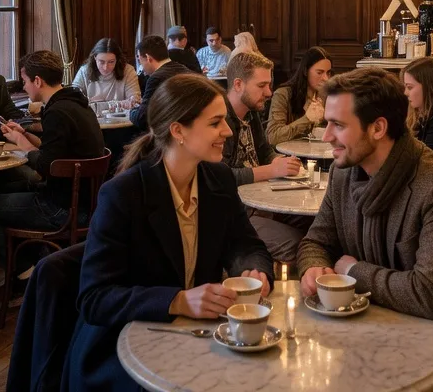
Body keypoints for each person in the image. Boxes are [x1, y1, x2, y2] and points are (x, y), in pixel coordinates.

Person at [297, 68, 433, 391]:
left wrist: (352, 270)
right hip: (371, 336)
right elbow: (316, 240)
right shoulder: (344, 174)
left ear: (378, 128)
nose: (326, 136)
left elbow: (429, 295)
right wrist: (313, 267)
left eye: (337, 125)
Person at [64, 75, 272, 391]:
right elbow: (95, 299)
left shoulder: (218, 179)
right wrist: (176, 300)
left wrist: (251, 270)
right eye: (216, 123)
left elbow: (245, 243)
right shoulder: (123, 194)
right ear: (178, 131)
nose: (227, 132)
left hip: (195, 338)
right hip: (123, 352)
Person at [0, 50, 106, 265]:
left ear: (38, 81)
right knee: (2, 189)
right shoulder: (76, 104)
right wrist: (24, 134)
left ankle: (24, 268)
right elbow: (57, 151)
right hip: (86, 203)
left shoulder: (57, 112)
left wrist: (19, 142)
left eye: (24, 81)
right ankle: (33, 260)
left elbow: (46, 166)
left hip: (63, 209)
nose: (23, 87)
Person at [219, 51, 306, 262]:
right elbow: (220, 177)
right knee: (299, 244)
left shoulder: (251, 113)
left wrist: (279, 160)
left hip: (261, 202)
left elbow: (264, 150)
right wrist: (272, 170)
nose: (269, 92)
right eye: (262, 85)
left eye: (269, 84)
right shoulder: (219, 120)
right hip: (234, 213)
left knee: (315, 224)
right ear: (238, 84)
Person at [267, 46, 333, 145]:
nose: (326, 78)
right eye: (319, 72)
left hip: (317, 153)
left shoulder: (327, 96)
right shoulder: (283, 95)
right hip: (287, 156)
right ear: (305, 71)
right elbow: (273, 137)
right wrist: (307, 119)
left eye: (328, 73)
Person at [128, 35, 191, 131]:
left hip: (170, 134)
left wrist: (131, 111)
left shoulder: (156, 78)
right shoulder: (184, 69)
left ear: (148, 58)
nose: (141, 65)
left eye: (140, 60)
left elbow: (142, 119)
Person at [70, 37, 141, 113]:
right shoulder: (84, 71)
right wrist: (117, 104)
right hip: (91, 121)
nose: (105, 67)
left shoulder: (128, 71)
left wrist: (96, 106)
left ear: (117, 60)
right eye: (101, 62)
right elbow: (73, 100)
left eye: (111, 62)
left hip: (122, 122)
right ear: (95, 58)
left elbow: (135, 102)